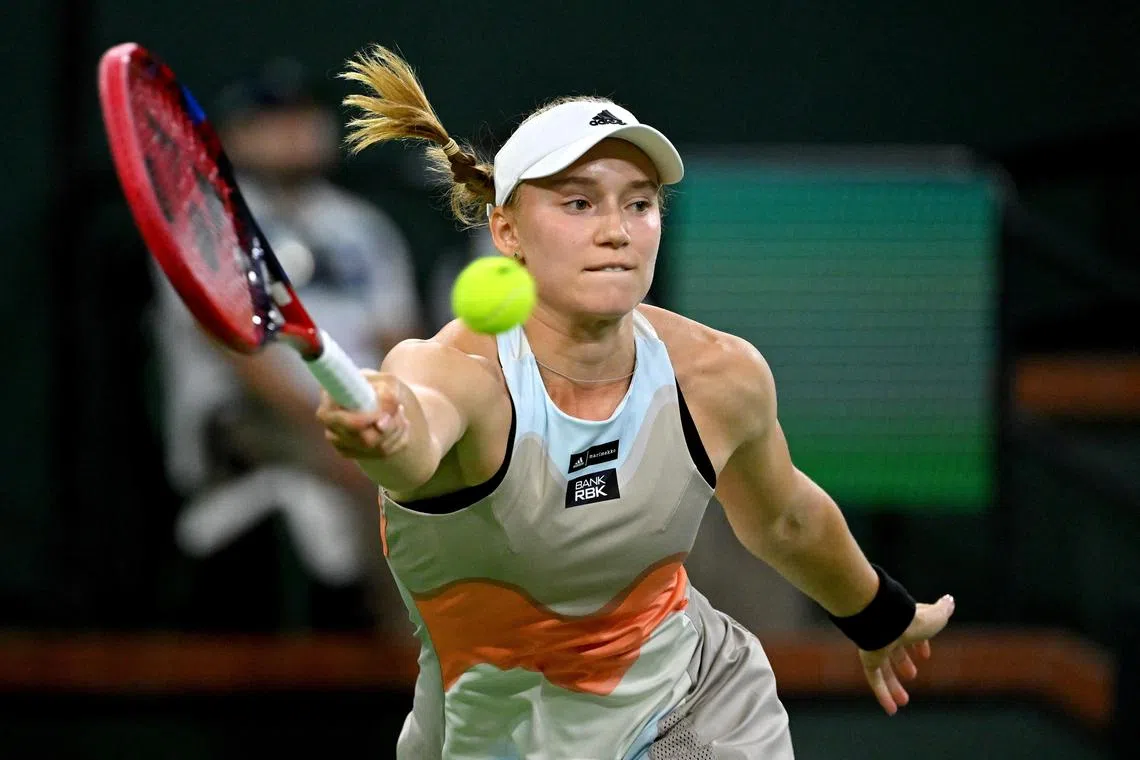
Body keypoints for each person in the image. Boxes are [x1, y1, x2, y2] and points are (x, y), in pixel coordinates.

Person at [317, 45, 956, 758]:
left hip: (694, 706)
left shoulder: (718, 374)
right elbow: (414, 433)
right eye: (579, 202)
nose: (617, 230)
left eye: (640, 203)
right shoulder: (455, 371)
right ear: (506, 232)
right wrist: (384, 426)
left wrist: (881, 616)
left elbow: (784, 517)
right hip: (495, 736)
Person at [151, 58, 423, 631]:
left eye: (305, 115)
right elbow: (240, 356)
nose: (297, 130)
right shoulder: (206, 228)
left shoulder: (364, 227)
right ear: (233, 135)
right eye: (273, 118)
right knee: (380, 472)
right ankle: (413, 653)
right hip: (249, 421)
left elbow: (400, 341)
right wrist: (340, 421)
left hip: (360, 406)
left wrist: (402, 415)